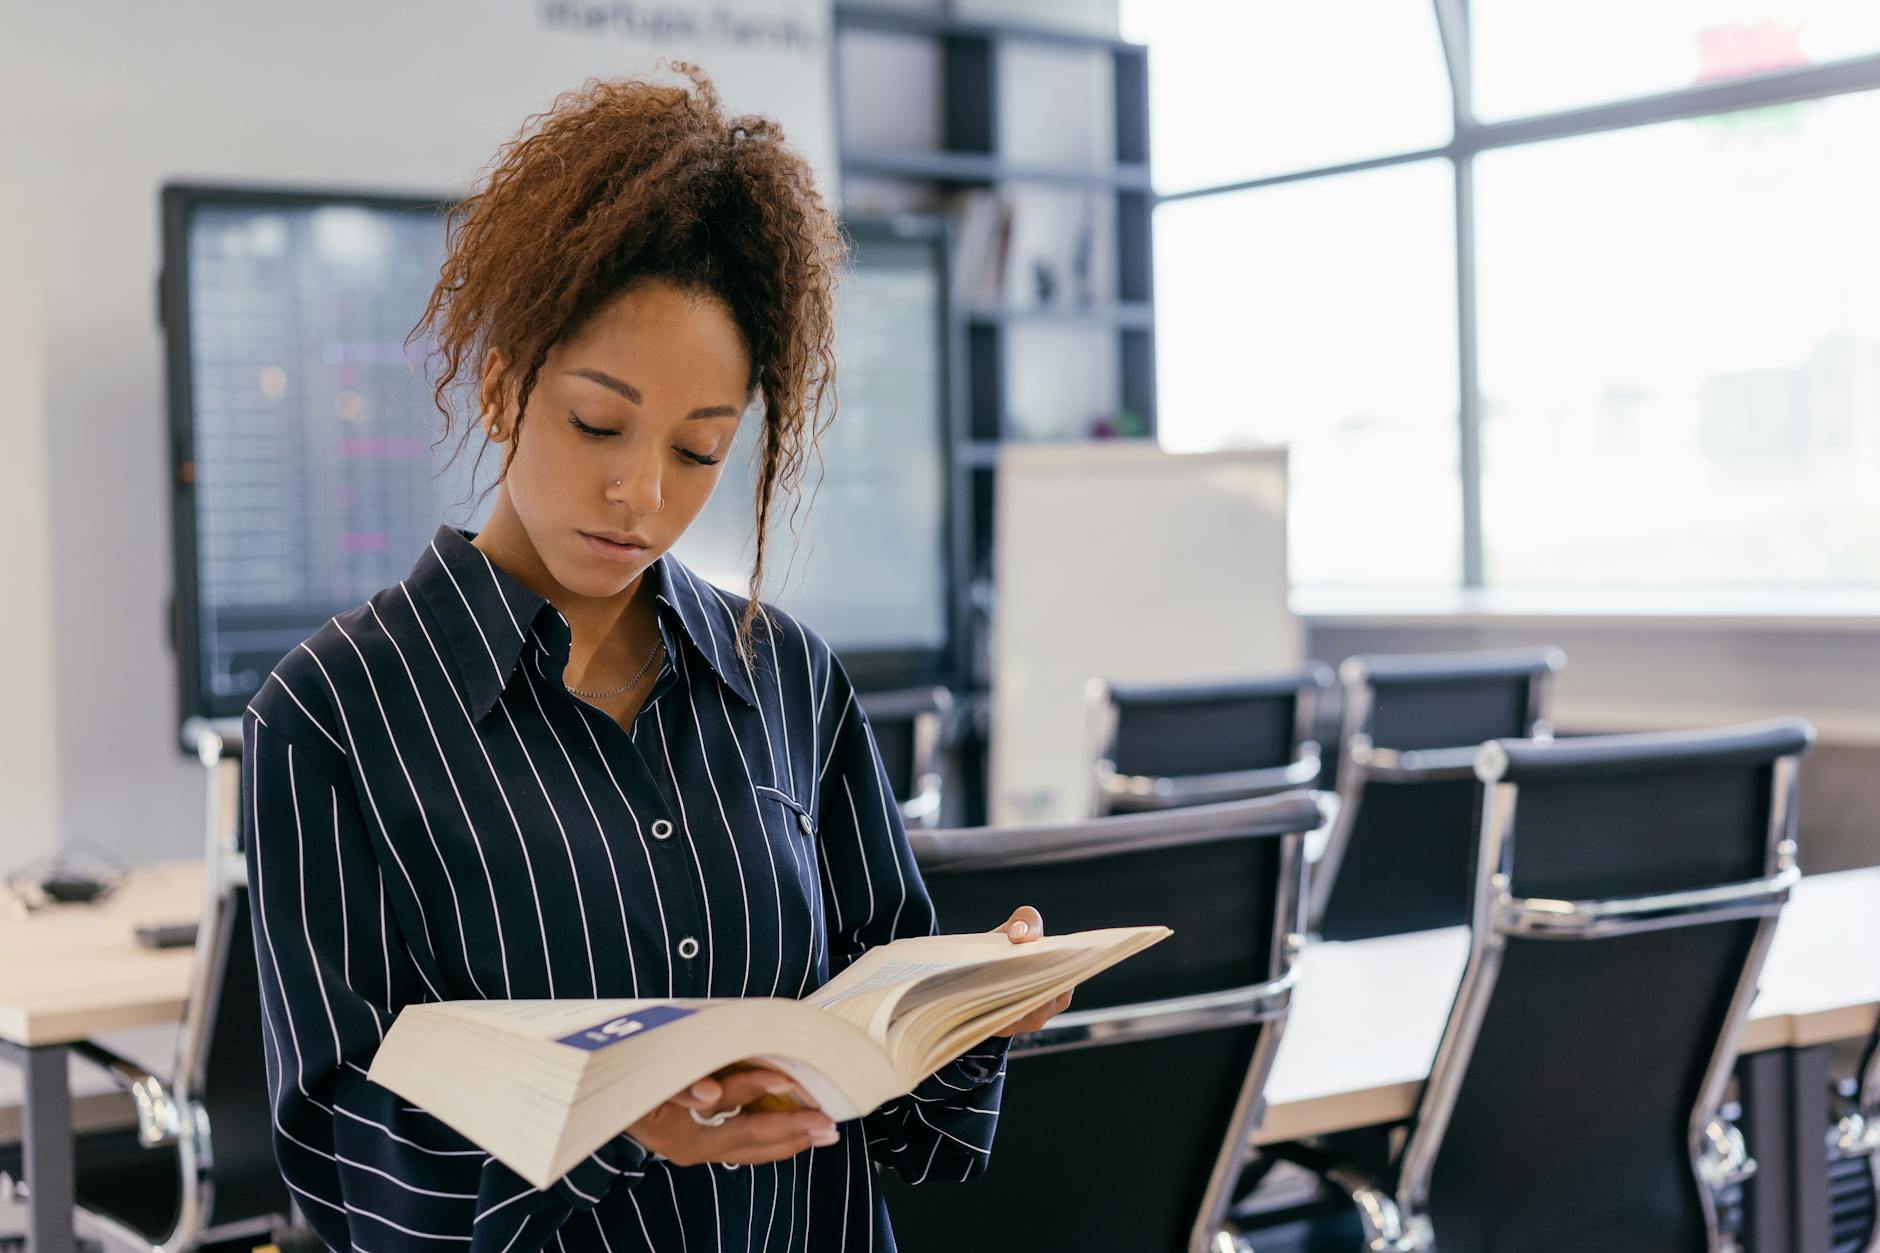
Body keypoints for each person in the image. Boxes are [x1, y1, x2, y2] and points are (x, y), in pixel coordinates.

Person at [240, 64, 1067, 1253]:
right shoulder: (331, 713)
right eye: (595, 422)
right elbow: (346, 1161)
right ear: (499, 384)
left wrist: (974, 1013)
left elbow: (909, 1132)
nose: (639, 493)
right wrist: (614, 1127)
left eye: (697, 450)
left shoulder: (789, 679)